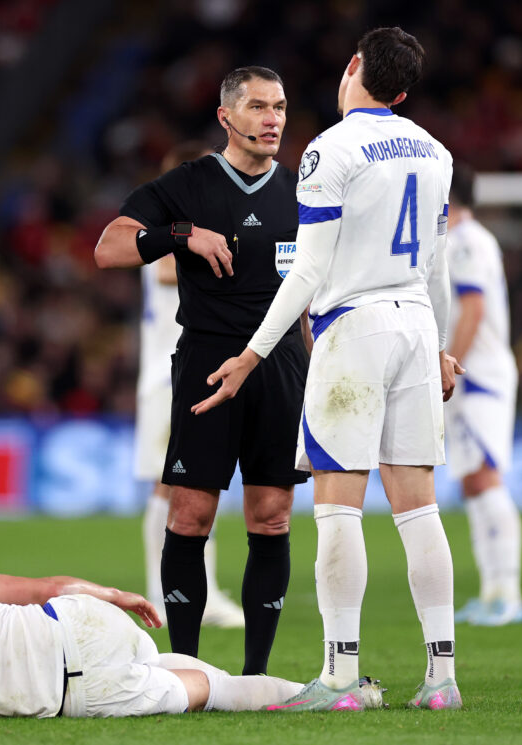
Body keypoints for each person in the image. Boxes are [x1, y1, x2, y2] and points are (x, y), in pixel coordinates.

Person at [192, 28, 465, 711]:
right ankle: (442, 677)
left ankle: (341, 673)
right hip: (415, 324)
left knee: (339, 505)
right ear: (401, 91)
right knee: (419, 505)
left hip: (356, 328)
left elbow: (310, 268)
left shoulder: (330, 149)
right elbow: (438, 266)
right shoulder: (437, 152)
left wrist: (253, 352)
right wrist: (439, 349)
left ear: (353, 69)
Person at [95, 67, 311, 676]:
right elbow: (108, 248)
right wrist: (181, 234)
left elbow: (318, 299)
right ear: (227, 118)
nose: (273, 119)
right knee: (189, 514)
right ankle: (185, 667)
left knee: (271, 515)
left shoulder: (303, 192)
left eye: (281, 107)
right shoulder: (188, 184)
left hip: (279, 367)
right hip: (207, 366)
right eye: (260, 107)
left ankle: (255, 675)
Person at [0, 568, 362, 718]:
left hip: (73, 695)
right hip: (74, 623)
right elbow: (40, 590)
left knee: (206, 689)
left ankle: (326, 695)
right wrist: (114, 595)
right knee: (163, 660)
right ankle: (331, 689)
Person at [136, 142, 244, 630]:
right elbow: (161, 271)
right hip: (166, 376)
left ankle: (200, 589)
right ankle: (162, 595)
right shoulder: (163, 233)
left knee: (196, 482)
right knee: (171, 486)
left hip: (188, 371)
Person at [443, 165, 522, 626]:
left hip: (478, 375)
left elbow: (473, 308)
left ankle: (507, 593)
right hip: (472, 374)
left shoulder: (468, 240)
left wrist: (451, 362)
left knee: (485, 477)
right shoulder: (459, 241)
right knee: (473, 480)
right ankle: (493, 590)